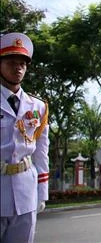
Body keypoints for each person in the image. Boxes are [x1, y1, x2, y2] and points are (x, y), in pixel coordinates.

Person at [1, 32, 49, 243]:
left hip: (25, 189)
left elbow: (41, 151)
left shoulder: (37, 107)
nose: (18, 67)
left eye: (22, 63)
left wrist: (42, 191)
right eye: (11, 62)